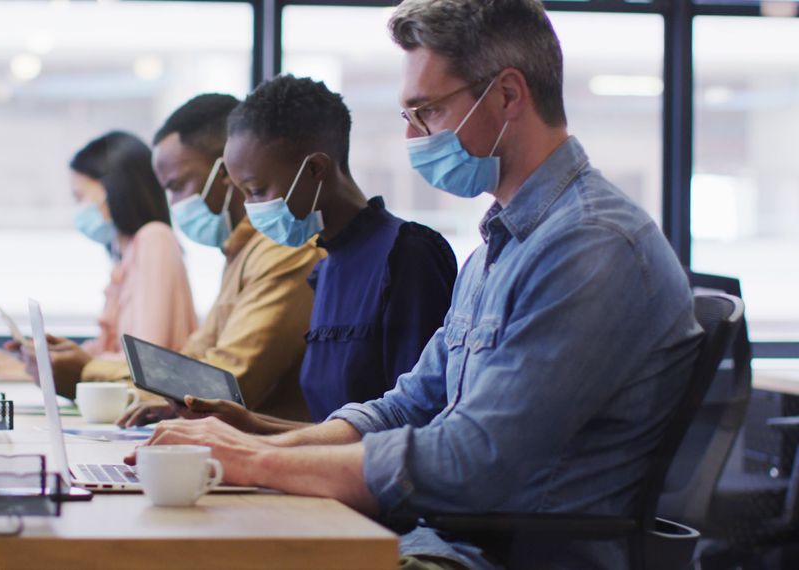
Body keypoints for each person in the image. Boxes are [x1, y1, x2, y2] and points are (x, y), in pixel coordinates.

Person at [129, 1, 704, 569]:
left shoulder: (589, 246)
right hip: (442, 543)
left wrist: (256, 461)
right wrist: (256, 446)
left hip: (500, 556)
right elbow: (408, 404)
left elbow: (472, 460)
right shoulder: (495, 253)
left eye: (425, 111)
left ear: (507, 95)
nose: (411, 135)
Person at [152, 75, 456, 432]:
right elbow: (331, 430)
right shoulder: (325, 268)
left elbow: (414, 427)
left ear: (315, 169)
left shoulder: (407, 255)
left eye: (257, 190)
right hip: (327, 479)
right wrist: (245, 425)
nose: (249, 209)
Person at [36, 94, 322, 419]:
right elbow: (192, 361)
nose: (173, 204)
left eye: (178, 185)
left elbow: (224, 384)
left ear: (228, 170)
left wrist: (88, 372)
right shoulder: (240, 252)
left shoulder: (282, 250)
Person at [0, 131, 198, 392]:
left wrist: (44, 366)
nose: (79, 209)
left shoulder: (154, 239)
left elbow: (145, 364)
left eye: (80, 197)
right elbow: (109, 356)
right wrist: (20, 363)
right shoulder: (126, 256)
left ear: (114, 190)